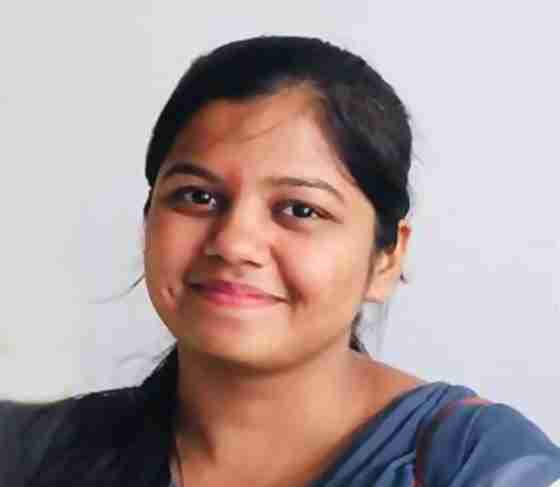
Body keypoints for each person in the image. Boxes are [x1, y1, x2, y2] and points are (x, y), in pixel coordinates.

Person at [1, 35, 559, 487]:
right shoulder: (28, 453)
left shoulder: (480, 465)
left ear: (387, 258)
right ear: (149, 220)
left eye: (300, 209)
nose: (233, 243)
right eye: (197, 196)